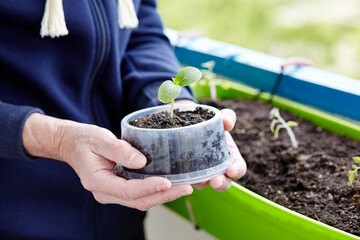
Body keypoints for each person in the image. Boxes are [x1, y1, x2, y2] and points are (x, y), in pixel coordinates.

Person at [0, 0, 246, 239]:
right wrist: (55, 139)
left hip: (119, 210)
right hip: (18, 212)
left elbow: (139, 33)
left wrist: (175, 105)